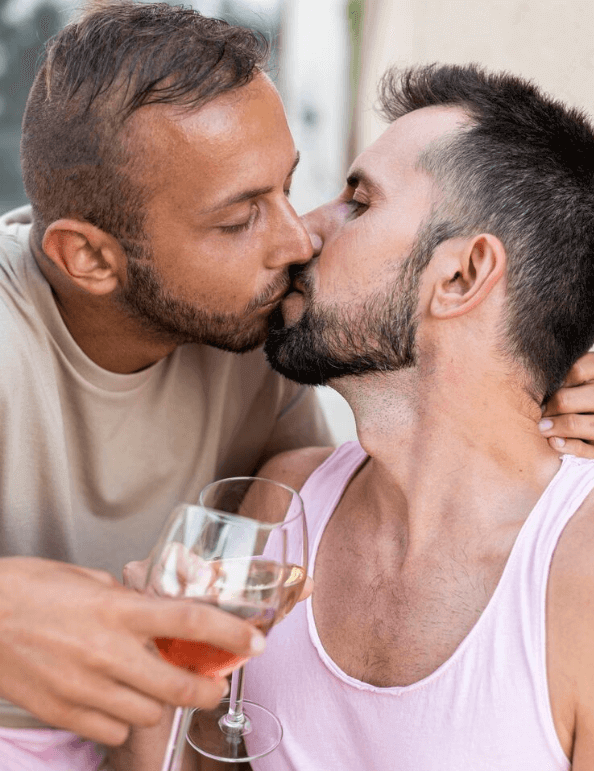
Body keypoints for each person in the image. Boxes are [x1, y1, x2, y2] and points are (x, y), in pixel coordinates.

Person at [0, 1, 333, 767]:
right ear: (88, 258)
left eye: (286, 187)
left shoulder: (251, 329)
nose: (296, 239)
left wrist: (532, 413)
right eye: (239, 218)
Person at [239, 63, 594, 770]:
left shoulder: (578, 576)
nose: (304, 233)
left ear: (461, 276)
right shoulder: (277, 507)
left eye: (359, 203)